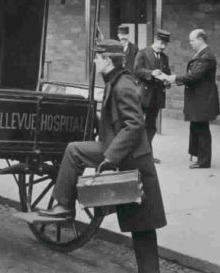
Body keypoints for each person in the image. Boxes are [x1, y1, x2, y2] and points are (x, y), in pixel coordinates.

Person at [39, 39, 166, 273]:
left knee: (143, 226)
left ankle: (64, 207)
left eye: (98, 57)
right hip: (126, 156)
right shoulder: (114, 81)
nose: (95, 61)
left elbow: (134, 125)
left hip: (133, 161)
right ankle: (64, 206)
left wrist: (110, 157)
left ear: (108, 60)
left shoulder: (123, 85)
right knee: (142, 226)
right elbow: (115, 121)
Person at [157, 29, 220, 169]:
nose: (190, 43)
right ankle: (198, 156)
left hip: (202, 98)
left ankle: (204, 161)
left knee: (202, 128)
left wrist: (173, 78)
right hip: (199, 97)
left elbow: (194, 76)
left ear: (200, 39)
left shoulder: (206, 56)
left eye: (192, 40)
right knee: (197, 126)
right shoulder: (203, 54)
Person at [134, 30, 172, 164]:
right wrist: (151, 72)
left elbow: (167, 73)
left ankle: (147, 154)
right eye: (162, 43)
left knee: (151, 126)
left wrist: (167, 80)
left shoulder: (164, 57)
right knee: (138, 124)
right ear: (155, 39)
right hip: (144, 95)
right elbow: (137, 70)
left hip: (157, 97)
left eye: (165, 44)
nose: (163, 47)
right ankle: (135, 153)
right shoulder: (143, 53)